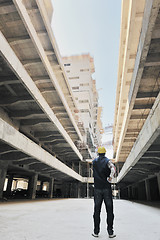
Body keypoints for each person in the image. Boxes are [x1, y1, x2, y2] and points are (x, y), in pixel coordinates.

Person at [92, 146, 116, 238]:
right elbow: (113, 169)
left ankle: (96, 232)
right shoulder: (107, 161)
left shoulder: (94, 161)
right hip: (106, 188)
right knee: (109, 211)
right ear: (105, 153)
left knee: (97, 211)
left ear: (98, 153)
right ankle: (110, 232)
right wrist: (110, 177)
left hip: (97, 189)